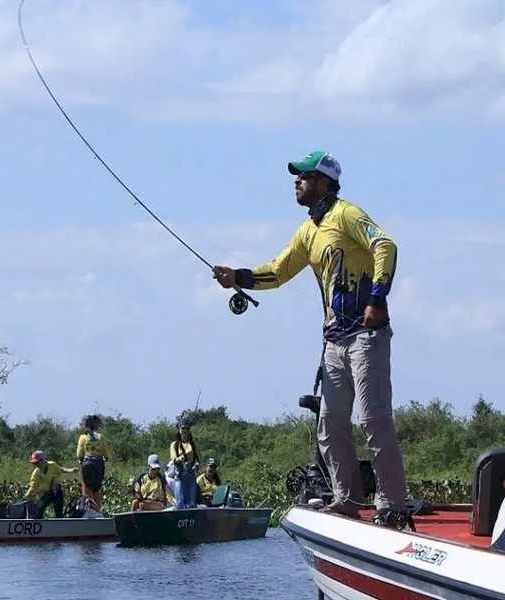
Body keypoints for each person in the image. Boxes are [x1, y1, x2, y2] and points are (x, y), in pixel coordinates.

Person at [212, 150, 408, 523]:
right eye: (297, 176)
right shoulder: (307, 231)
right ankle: (347, 499)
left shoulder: (346, 214)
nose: (296, 181)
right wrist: (238, 277)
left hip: (366, 335)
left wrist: (377, 298)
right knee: (330, 423)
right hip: (333, 341)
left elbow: (385, 246)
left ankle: (392, 504)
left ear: (324, 181)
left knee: (373, 418)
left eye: (304, 175)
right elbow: (278, 271)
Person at [23, 450, 79, 518]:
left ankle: (59, 525)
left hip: (56, 491)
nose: (36, 465)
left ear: (43, 461)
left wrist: (71, 470)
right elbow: (33, 486)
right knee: (38, 510)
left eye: (37, 462)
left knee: (58, 513)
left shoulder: (52, 465)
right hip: (47, 493)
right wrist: (27, 495)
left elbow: (60, 469)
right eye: (34, 463)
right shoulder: (36, 473)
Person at [76, 414, 111, 511]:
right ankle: (97, 510)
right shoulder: (101, 437)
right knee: (97, 488)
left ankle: (88, 511)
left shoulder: (83, 437)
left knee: (86, 488)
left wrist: (81, 459)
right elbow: (106, 455)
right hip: (99, 464)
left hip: (87, 463)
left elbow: (79, 454)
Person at [167, 418, 200, 508]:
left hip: (190, 476)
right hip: (180, 476)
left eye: (187, 428)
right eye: (183, 428)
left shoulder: (192, 444)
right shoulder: (174, 444)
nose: (185, 431)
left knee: (192, 503)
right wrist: (179, 459)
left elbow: (196, 460)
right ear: (179, 430)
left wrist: (196, 466)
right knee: (180, 502)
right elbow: (173, 459)